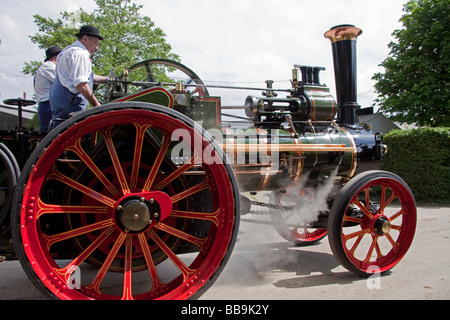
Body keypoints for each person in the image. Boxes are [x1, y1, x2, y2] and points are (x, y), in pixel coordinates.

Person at [49, 25, 109, 129]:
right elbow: (81, 84)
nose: (97, 47)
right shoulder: (79, 54)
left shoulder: (68, 51)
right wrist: (98, 106)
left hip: (62, 105)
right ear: (85, 38)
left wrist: (107, 79)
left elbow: (85, 77)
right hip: (70, 108)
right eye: (96, 43)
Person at [33, 46, 61, 131]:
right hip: (49, 105)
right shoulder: (49, 67)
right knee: (53, 132)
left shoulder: (43, 68)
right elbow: (64, 81)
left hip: (45, 104)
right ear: (57, 57)